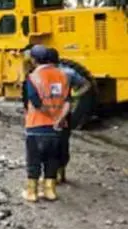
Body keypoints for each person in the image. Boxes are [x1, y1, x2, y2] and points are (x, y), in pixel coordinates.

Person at [22, 44, 71, 202]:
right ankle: (50, 191)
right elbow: (68, 102)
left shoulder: (33, 77)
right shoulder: (63, 76)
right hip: (57, 128)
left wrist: (49, 115)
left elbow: (35, 102)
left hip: (36, 125)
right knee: (52, 159)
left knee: (34, 159)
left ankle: (32, 192)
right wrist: (59, 118)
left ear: (34, 60)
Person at [47, 47, 92, 184]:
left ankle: (52, 176)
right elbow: (86, 85)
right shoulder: (69, 72)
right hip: (64, 114)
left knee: (49, 144)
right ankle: (61, 173)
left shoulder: (41, 74)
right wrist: (74, 96)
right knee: (63, 143)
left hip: (48, 113)